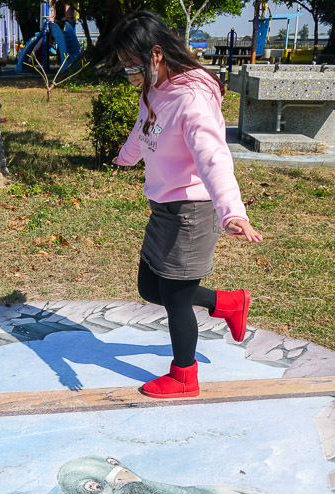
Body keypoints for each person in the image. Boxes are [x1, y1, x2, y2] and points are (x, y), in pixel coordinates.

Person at [110, 10, 263, 399]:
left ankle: (184, 376)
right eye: (124, 64)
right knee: (150, 287)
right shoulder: (155, 88)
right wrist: (125, 157)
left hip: (193, 211)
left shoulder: (193, 99)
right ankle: (228, 304)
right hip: (163, 208)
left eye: (132, 63)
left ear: (156, 54)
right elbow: (143, 128)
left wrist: (233, 212)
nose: (129, 72)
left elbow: (213, 158)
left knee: (176, 299)